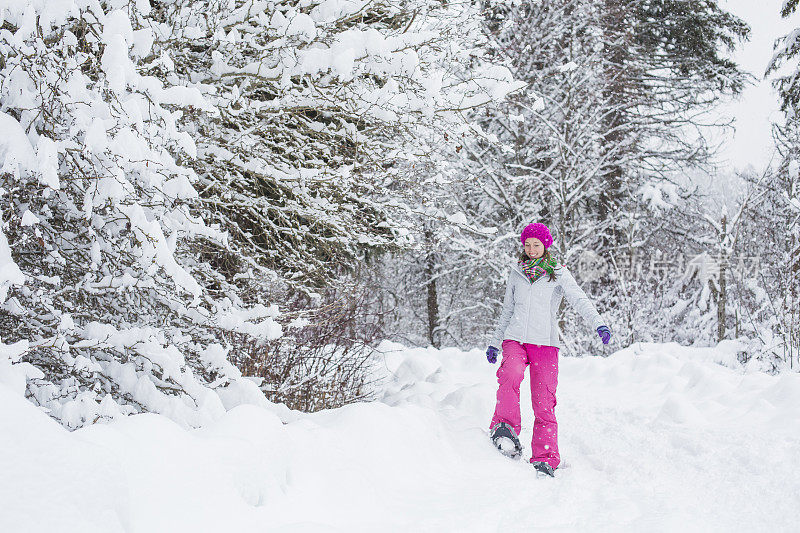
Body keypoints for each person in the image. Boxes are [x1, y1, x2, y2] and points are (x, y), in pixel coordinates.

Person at [486, 222, 611, 477]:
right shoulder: (516, 272)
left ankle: (545, 456)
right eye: (528, 245)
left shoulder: (558, 272)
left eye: (536, 245)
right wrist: (495, 341)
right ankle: (505, 429)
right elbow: (507, 310)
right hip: (516, 338)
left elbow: (579, 299)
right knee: (510, 373)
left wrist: (599, 324)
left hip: (545, 343)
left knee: (544, 402)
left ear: (546, 246)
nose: (531, 250)